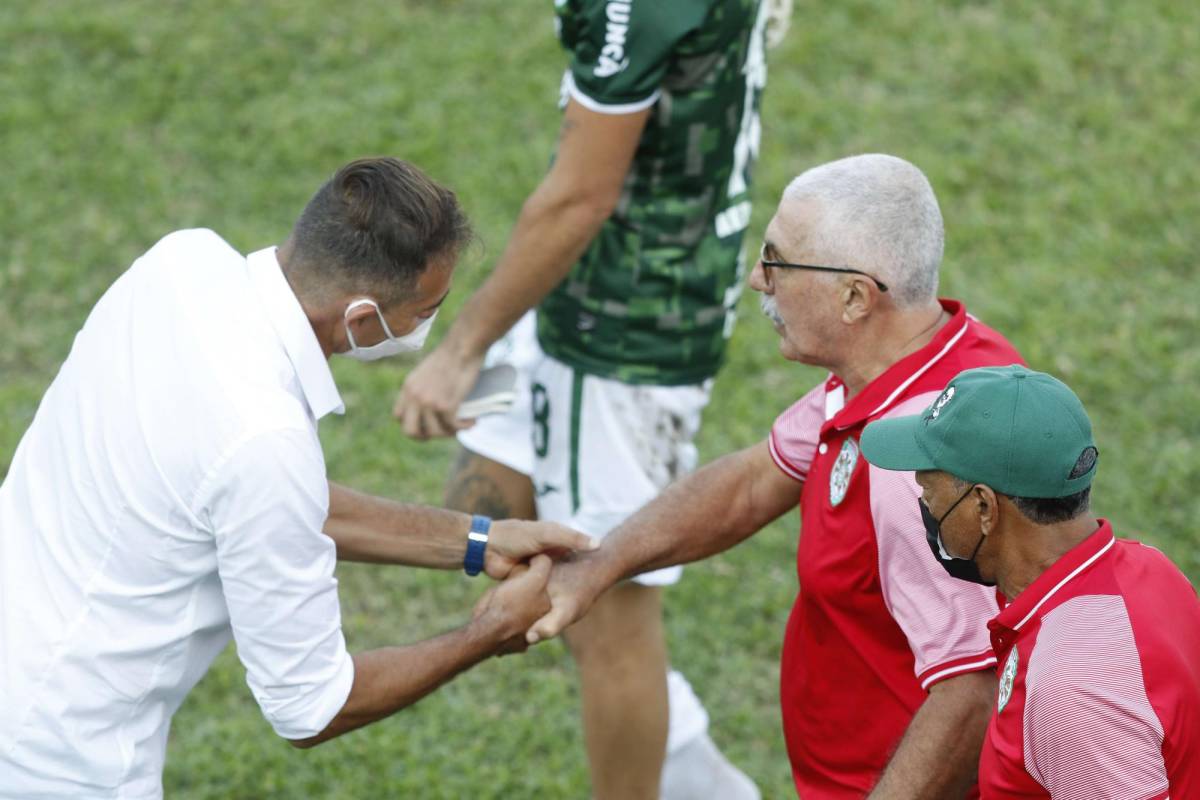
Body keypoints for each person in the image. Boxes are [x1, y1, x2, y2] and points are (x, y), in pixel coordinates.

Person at [0, 157, 595, 799]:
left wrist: (478, 540)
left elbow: (256, 501)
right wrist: (492, 632)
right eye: (427, 309)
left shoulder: (179, 263)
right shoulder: (264, 439)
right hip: (56, 760)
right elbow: (312, 708)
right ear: (362, 320)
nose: (428, 325)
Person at [525, 153, 1028, 798]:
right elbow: (755, 480)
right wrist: (601, 563)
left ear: (855, 296)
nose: (759, 280)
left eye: (778, 260)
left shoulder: (918, 469)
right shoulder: (914, 361)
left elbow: (973, 689)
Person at [393, 2, 787, 798]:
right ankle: (691, 769)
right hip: (591, 293)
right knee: (489, 492)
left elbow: (579, 195)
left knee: (606, 609)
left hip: (620, 331)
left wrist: (461, 347)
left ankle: (664, 771)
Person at [860, 365, 1200, 798]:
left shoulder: (1072, 688)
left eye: (929, 490)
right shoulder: (1150, 568)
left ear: (983, 506)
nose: (924, 504)